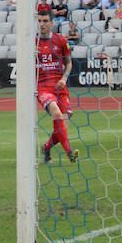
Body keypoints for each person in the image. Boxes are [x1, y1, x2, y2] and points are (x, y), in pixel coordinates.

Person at [36, 10, 78, 164]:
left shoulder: (60, 40)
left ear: (52, 23)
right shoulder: (33, 43)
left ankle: (46, 148)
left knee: (62, 127)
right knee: (57, 114)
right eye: (39, 21)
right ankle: (70, 153)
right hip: (43, 87)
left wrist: (64, 78)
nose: (42, 24)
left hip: (60, 87)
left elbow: (68, 62)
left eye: (45, 21)